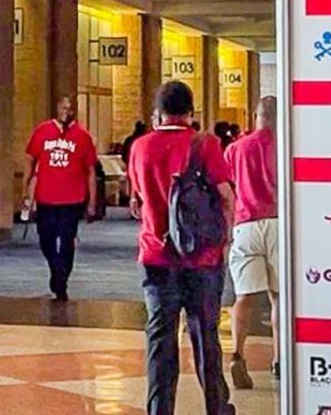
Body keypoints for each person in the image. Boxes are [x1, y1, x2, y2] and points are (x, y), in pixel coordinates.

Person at [128, 81, 236, 415]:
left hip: (156, 256)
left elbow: (138, 201)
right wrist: (225, 239)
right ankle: (217, 408)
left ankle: (160, 409)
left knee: (160, 340)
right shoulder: (205, 145)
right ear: (191, 114)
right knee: (206, 337)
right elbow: (227, 196)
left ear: (157, 115)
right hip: (202, 258)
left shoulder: (140, 147)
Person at [225, 97, 279, 389]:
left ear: (256, 116)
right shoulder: (287, 144)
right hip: (279, 222)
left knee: (244, 296)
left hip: (245, 223)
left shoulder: (236, 148)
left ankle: (237, 353)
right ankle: (280, 360)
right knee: (279, 297)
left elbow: (227, 184)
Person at [24, 96, 98, 302]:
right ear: (56, 108)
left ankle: (61, 279)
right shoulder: (42, 131)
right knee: (46, 239)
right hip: (46, 197)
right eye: (63, 107)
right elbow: (30, 162)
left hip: (72, 199)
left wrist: (92, 201)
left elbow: (90, 171)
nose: (66, 111)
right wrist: (26, 192)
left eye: (70, 108)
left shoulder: (82, 136)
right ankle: (56, 269)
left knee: (67, 241)